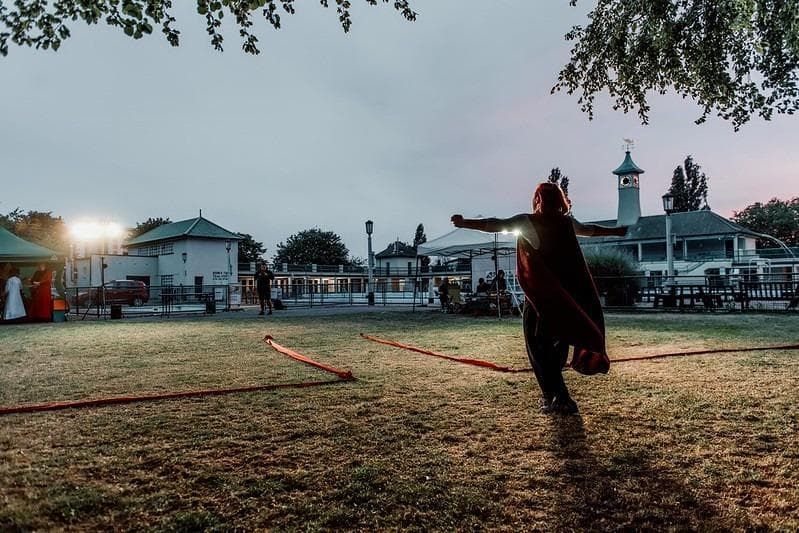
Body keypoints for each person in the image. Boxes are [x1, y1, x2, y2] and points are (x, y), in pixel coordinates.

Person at [451, 182, 627, 415]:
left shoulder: (528, 221)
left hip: (541, 299)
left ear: (538, 199)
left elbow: (494, 224)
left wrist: (465, 223)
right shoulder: (566, 223)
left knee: (538, 347)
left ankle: (559, 397)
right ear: (560, 201)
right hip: (567, 299)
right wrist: (615, 231)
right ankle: (555, 396)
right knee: (558, 344)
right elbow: (590, 229)